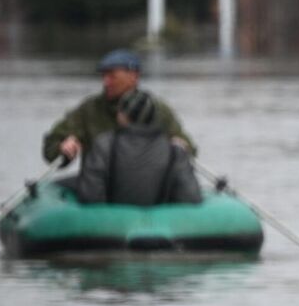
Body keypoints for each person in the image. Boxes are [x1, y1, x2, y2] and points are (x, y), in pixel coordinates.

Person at [43, 49, 194, 165]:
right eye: (104, 76)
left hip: (148, 184)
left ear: (134, 76)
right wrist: (63, 148)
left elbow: (189, 148)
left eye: (112, 76)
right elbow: (51, 148)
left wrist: (181, 146)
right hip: (100, 184)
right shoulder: (89, 110)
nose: (106, 82)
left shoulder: (158, 110)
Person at [71, 89, 203, 206]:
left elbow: (90, 196)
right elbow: (191, 197)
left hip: (111, 228)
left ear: (122, 116)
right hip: (163, 227)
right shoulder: (175, 150)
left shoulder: (104, 144)